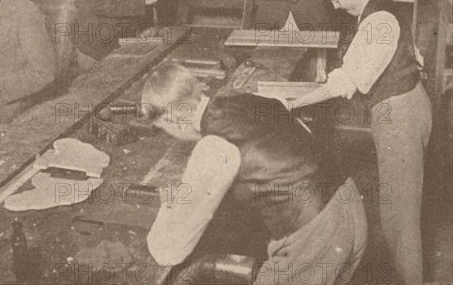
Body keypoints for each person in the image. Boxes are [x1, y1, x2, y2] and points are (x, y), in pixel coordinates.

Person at [142, 62, 367, 285]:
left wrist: (169, 206)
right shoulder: (249, 99)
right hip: (350, 204)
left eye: (163, 128)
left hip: (317, 235)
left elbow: (170, 250)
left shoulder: (213, 147)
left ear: (172, 119)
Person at [290, 0, 432, 284]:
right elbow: (416, 59)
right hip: (406, 104)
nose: (335, 6)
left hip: (399, 116)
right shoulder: (383, 5)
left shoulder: (378, 22)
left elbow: (344, 83)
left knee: (400, 219)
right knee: (398, 211)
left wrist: (294, 103)